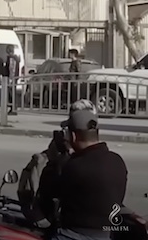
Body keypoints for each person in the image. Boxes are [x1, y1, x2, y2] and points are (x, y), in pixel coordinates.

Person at [37, 100, 128, 240]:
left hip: (71, 235)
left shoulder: (71, 166)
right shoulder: (117, 161)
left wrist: (58, 158)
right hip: (105, 235)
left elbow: (46, 195)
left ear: (73, 136)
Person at [5, 44, 23, 116]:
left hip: (12, 78)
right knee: (13, 93)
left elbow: (11, 69)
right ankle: (13, 107)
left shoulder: (12, 58)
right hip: (14, 78)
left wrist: (10, 79)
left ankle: (13, 108)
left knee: (11, 93)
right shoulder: (16, 58)